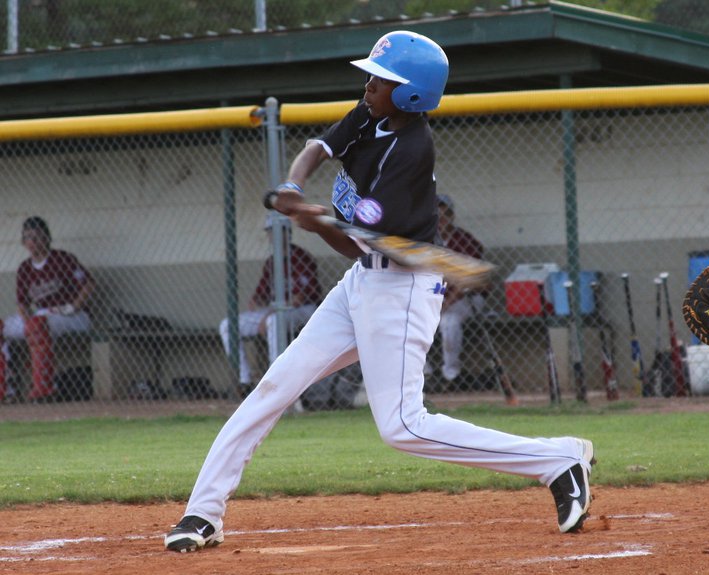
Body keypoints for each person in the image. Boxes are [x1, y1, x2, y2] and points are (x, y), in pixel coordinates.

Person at [165, 30, 594, 553]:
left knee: (403, 427)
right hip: (361, 282)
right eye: (371, 76)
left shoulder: (411, 150)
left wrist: (316, 224)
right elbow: (317, 149)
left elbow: (359, 243)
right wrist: (295, 188)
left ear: (411, 94)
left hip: (402, 288)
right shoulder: (371, 114)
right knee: (275, 386)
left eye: (382, 80)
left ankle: (557, 461)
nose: (369, 85)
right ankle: (203, 513)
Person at [219, 214, 322, 393]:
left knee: (273, 321)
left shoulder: (301, 257)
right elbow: (261, 296)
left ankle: (277, 379)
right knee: (228, 325)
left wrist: (268, 314)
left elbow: (300, 298)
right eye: (270, 232)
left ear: (287, 233)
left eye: (277, 231)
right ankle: (244, 381)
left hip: (306, 310)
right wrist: (255, 303)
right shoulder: (271, 262)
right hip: (275, 311)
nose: (272, 236)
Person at [0, 216, 95, 403]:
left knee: (38, 325)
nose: (33, 241)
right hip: (42, 316)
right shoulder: (25, 268)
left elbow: (89, 284)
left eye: (38, 236)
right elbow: (22, 304)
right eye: (28, 237)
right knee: (20, 325)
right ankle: (5, 389)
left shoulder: (63, 259)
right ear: (23, 242)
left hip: (73, 315)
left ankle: (44, 389)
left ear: (47, 238)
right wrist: (27, 322)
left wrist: (73, 306)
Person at [432, 193, 488, 390]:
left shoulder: (465, 240)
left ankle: (451, 375)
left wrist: (444, 305)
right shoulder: (427, 241)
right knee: (409, 323)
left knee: (449, 321)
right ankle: (425, 376)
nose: (441, 220)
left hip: (469, 298)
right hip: (437, 296)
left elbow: (466, 283)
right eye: (436, 216)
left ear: (452, 216)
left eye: (444, 215)